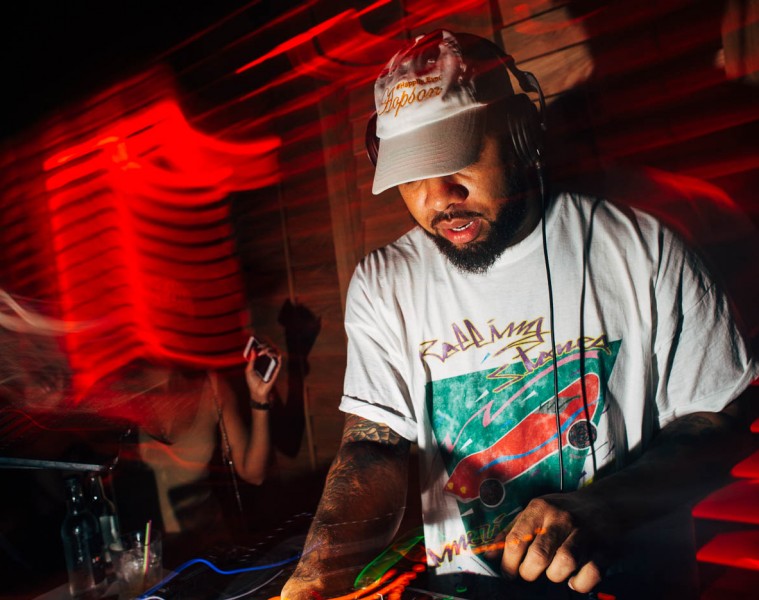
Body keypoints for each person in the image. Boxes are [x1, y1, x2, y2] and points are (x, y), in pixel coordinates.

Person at [280, 30, 758, 599]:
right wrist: (318, 573)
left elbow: (718, 422)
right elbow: (372, 446)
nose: (439, 196)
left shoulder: (644, 250)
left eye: (457, 157)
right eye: (411, 174)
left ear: (521, 134)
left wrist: (608, 503)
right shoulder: (385, 283)